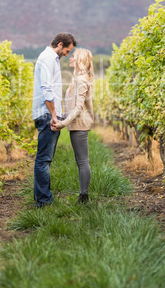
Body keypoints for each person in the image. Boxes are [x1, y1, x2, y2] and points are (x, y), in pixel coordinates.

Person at [32, 32, 77, 207]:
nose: (67, 54)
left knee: (45, 159)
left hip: (47, 113)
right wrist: (53, 115)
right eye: (67, 50)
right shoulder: (48, 58)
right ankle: (43, 201)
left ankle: (42, 199)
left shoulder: (52, 59)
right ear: (59, 44)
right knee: (43, 159)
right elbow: (46, 89)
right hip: (46, 115)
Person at [51, 48, 94, 203]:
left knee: (83, 161)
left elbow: (78, 107)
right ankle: (84, 195)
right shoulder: (78, 79)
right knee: (80, 160)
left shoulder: (81, 81)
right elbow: (71, 106)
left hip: (80, 124)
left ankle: (84, 197)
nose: (70, 58)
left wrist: (63, 123)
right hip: (76, 124)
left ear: (80, 60)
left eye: (73, 57)